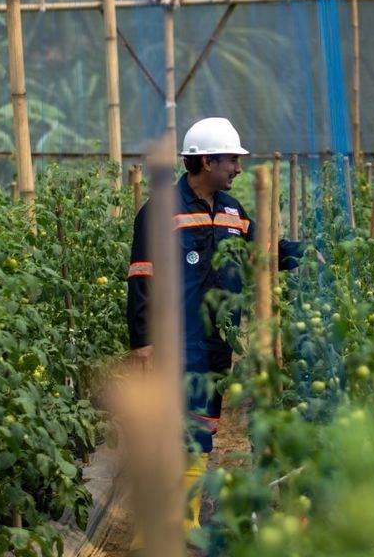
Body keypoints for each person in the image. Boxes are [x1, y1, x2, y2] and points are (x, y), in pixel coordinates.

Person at [126, 116, 302, 531]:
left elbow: (266, 250)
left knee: (203, 424)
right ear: (206, 161)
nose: (238, 169)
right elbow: (141, 277)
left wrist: (306, 253)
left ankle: (184, 521)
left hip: (217, 341)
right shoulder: (161, 211)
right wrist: (142, 343)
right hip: (174, 342)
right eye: (231, 161)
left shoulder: (232, 211)